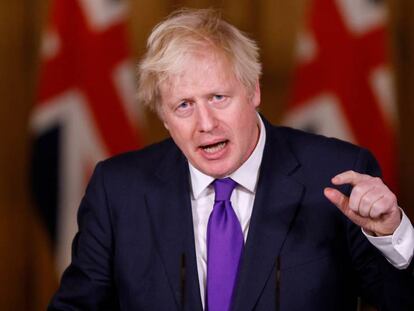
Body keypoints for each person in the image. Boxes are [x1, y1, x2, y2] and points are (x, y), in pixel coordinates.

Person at [49, 8, 414, 311]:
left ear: (252, 90)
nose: (205, 124)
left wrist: (390, 234)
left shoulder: (336, 175)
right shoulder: (118, 190)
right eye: (184, 105)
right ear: (163, 116)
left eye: (219, 97)